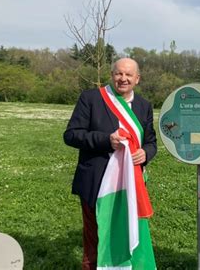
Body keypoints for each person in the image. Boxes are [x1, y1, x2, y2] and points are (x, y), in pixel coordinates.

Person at [63, 58, 157, 270]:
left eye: (128, 75)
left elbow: (151, 141)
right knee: (95, 240)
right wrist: (106, 140)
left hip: (131, 185)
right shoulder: (91, 99)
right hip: (96, 183)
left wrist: (146, 153)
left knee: (127, 233)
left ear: (137, 79)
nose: (123, 79)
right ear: (112, 74)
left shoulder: (144, 106)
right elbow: (71, 135)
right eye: (119, 73)